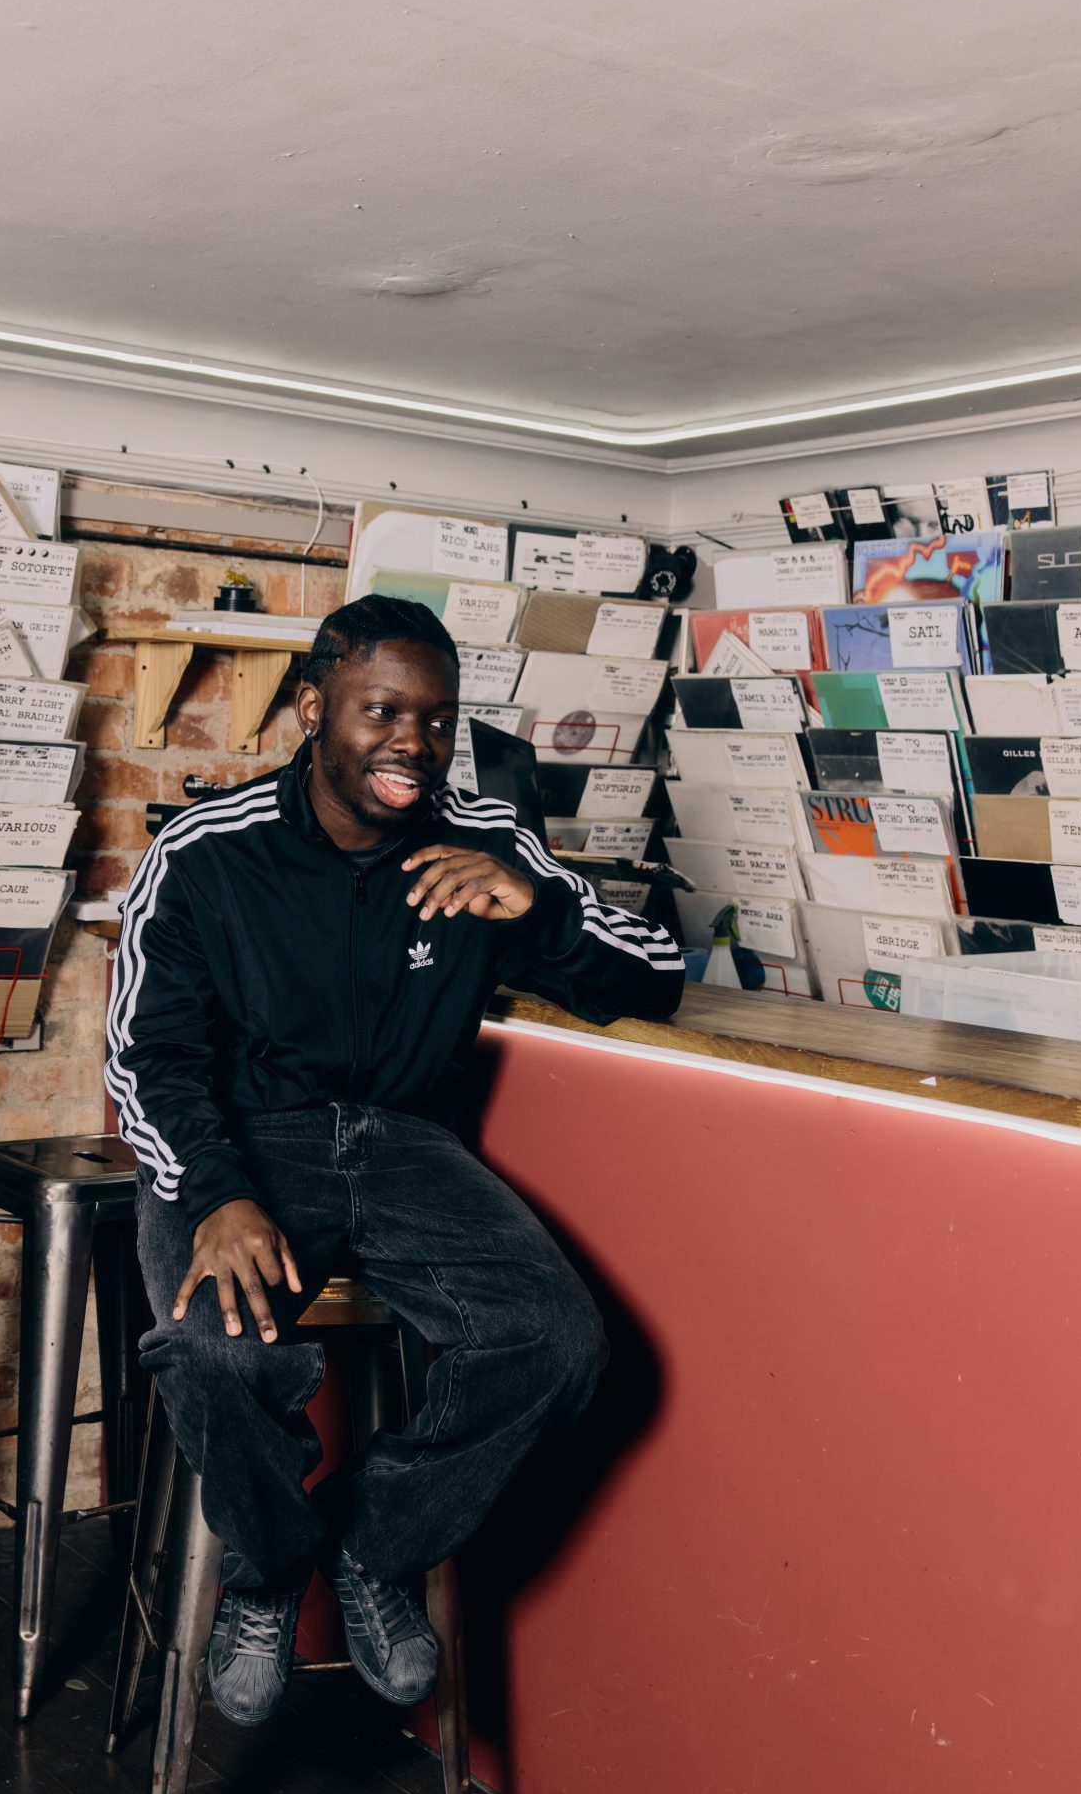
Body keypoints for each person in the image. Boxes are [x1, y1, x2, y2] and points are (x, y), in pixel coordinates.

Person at [105, 594, 684, 1726]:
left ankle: (375, 1551)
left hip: (411, 1146)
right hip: (245, 1145)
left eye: (436, 719)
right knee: (214, 1354)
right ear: (312, 709)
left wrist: (537, 911)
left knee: (557, 1342)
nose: (413, 742)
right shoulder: (208, 851)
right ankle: (269, 1572)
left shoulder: (484, 840)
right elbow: (145, 1055)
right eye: (382, 711)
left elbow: (654, 973)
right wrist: (215, 1193)